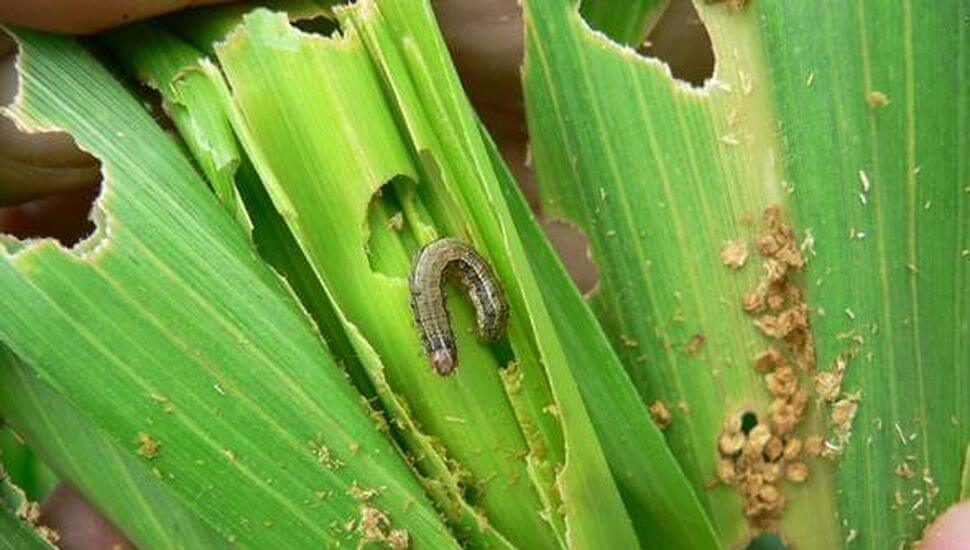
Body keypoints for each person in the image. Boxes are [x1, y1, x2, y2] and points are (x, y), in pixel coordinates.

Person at [0, 2, 967, 548]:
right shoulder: (445, 278)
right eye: (453, 328)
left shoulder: (459, 273)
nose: (456, 328)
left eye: (454, 328)